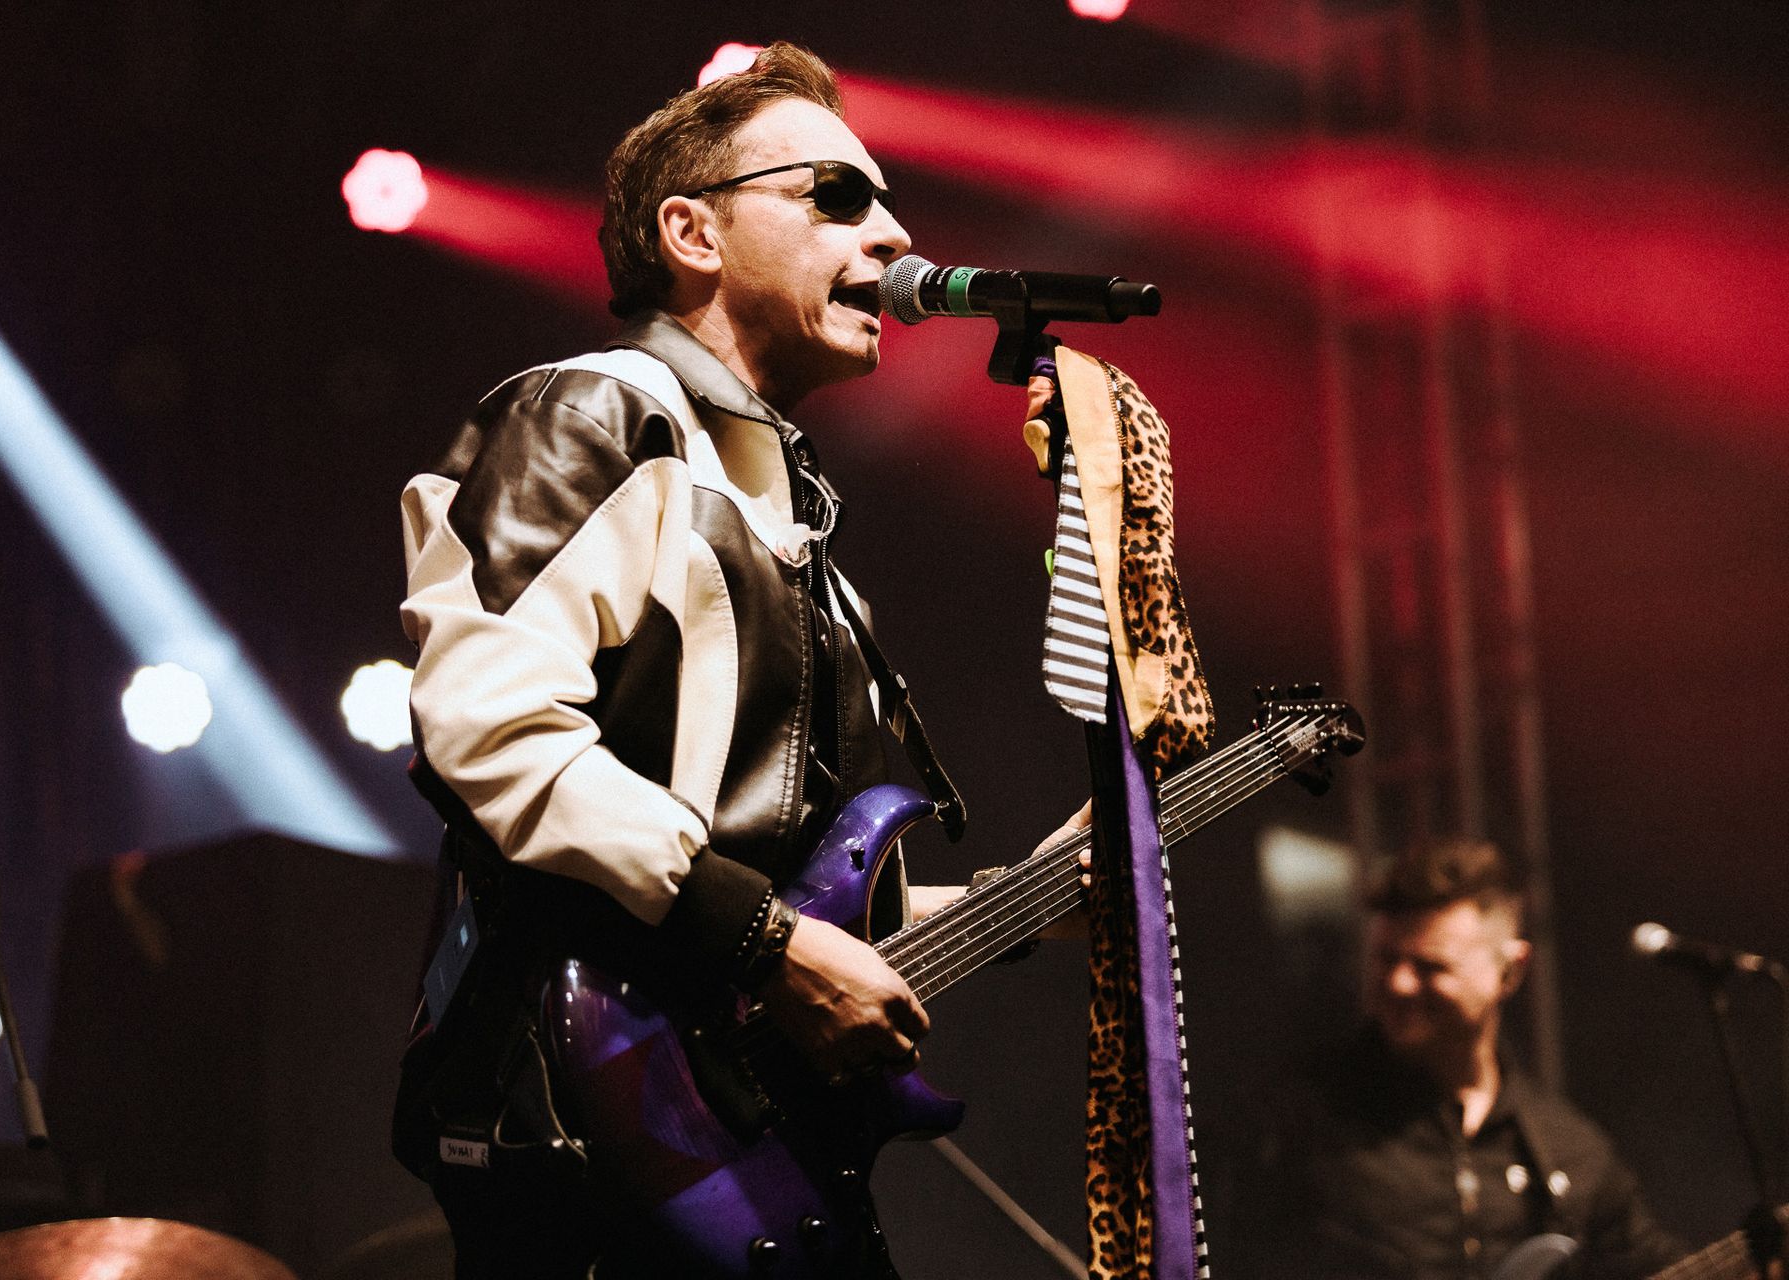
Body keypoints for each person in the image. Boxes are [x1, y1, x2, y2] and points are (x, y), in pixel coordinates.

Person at [390, 43, 1083, 1279]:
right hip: (592, 1126)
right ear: (692, 233)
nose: (892, 234)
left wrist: (1022, 901)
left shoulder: (788, 515)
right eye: (838, 195)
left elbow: (784, 879)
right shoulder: (594, 414)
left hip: (741, 1140)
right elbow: (489, 727)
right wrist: (766, 941)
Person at [1231, 838, 1686, 1280]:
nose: (1399, 984)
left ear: (1511, 970)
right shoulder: (1293, 1120)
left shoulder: (1570, 1148)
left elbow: (1655, 1263)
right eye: (1386, 959)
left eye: (1431, 966)